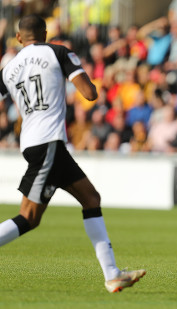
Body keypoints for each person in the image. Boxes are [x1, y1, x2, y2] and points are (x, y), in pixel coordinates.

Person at [0, 15, 145, 293]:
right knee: (29, 217)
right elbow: (89, 93)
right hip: (49, 143)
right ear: (45, 33)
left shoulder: (8, 68)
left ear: (19, 38)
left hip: (31, 143)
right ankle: (112, 274)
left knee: (88, 199)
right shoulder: (58, 52)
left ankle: (113, 273)